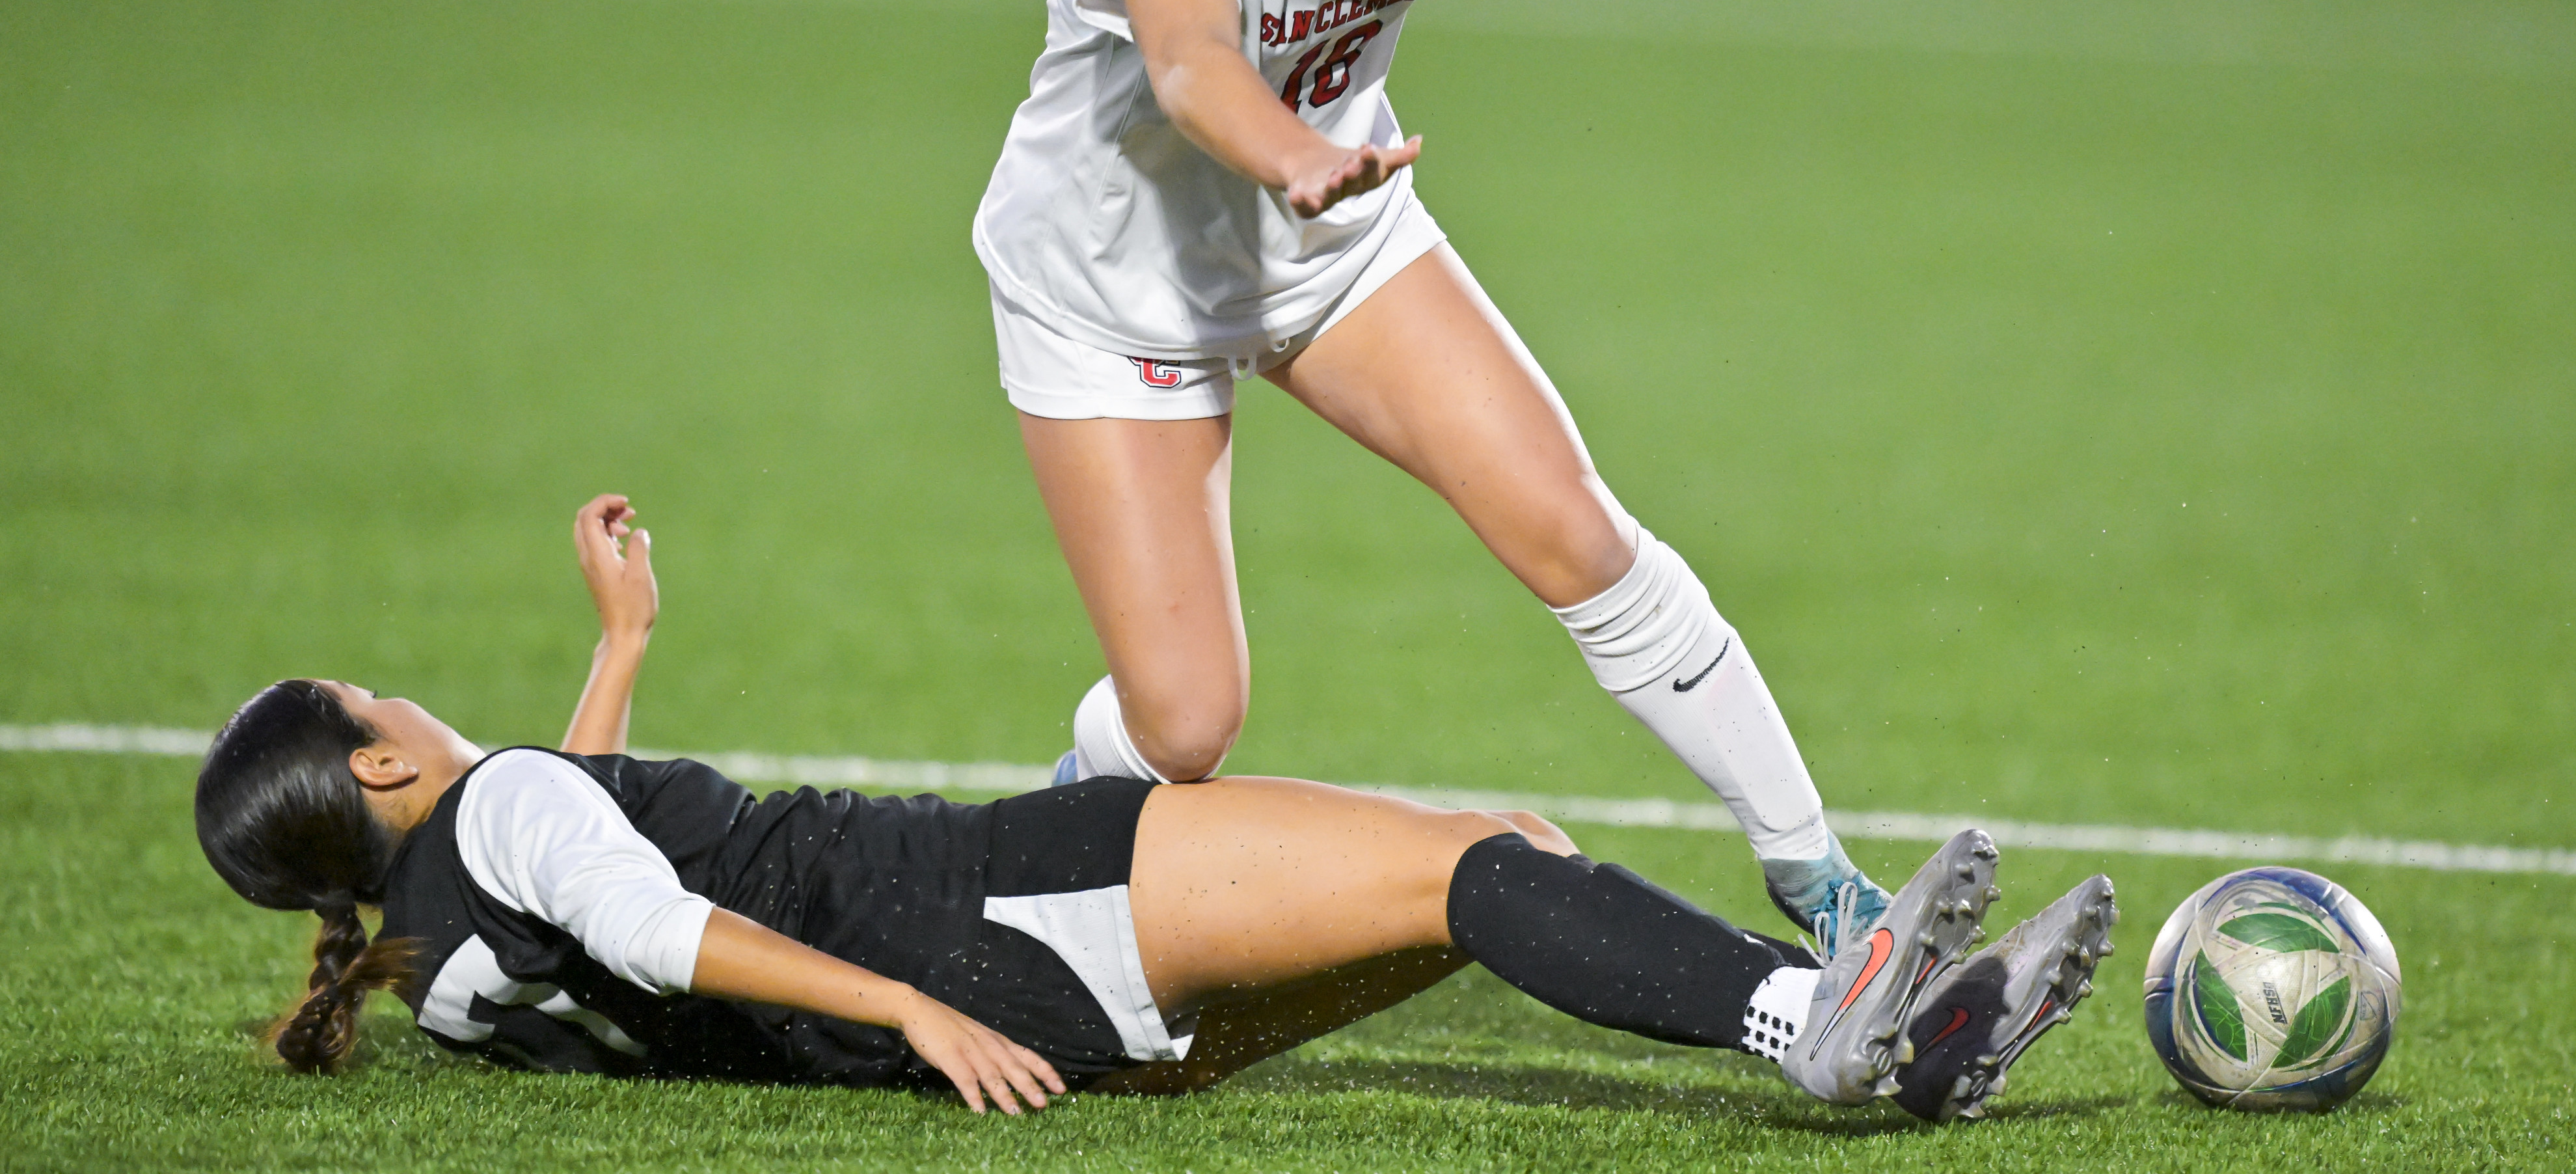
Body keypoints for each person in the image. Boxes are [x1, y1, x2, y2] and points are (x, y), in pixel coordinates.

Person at [973, 0, 1889, 954]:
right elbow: (1189, 63)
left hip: (1332, 239)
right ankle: (1034, 842)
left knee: (1571, 529)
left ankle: (1828, 891)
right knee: (1189, 718)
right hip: (1115, 286)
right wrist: (1289, 156)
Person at [195, 497, 2116, 1122]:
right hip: (992, 922)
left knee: (1484, 878)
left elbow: (578, 871)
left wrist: (619, 645)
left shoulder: (428, 957)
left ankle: (1882, 1043)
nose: (407, 699)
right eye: (379, 700)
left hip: (1045, 1003)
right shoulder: (513, 805)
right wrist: (915, 1002)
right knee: (1487, 864)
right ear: (378, 760)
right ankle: (1821, 1022)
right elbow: (652, 914)